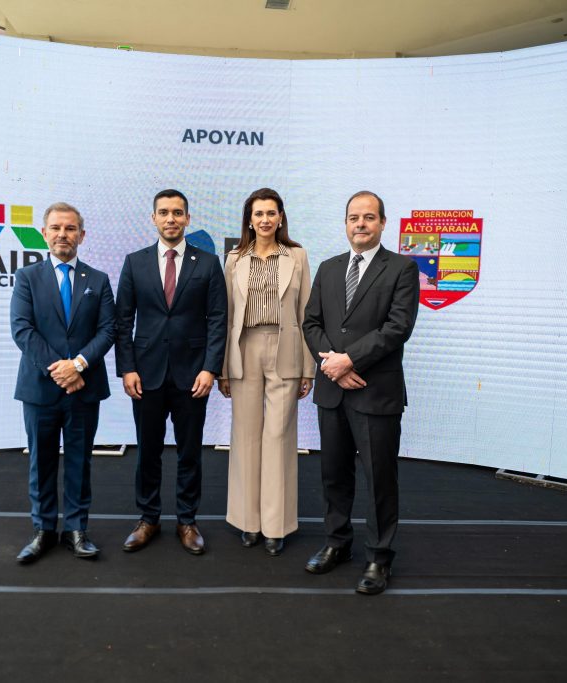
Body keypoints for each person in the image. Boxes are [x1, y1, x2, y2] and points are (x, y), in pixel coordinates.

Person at [301, 191, 420, 595]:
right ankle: (337, 543)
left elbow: (398, 327)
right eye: (354, 218)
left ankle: (379, 557)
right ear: (346, 224)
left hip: (375, 392)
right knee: (334, 475)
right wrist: (331, 366)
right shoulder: (329, 268)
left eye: (369, 217)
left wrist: (349, 360)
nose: (360, 224)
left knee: (379, 479)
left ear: (383, 223)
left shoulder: (402, 268)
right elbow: (311, 323)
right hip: (332, 390)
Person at [115, 189, 228, 555]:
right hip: (145, 375)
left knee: (189, 453)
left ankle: (187, 521)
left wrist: (210, 368)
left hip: (192, 376)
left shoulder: (208, 263)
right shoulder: (135, 262)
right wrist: (127, 368)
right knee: (147, 452)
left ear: (187, 218)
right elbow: (123, 321)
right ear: (153, 218)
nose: (171, 219)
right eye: (163, 212)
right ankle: (147, 519)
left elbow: (218, 320)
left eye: (177, 213)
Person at [10, 202, 115, 564]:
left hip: (84, 388)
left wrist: (79, 365)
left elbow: (108, 330)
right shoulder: (27, 277)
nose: (62, 235)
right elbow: (22, 329)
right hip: (40, 388)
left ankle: (76, 530)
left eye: (70, 228)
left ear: (81, 235)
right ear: (44, 233)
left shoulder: (98, 280)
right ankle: (43, 530)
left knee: (79, 462)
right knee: (41, 463)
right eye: (55, 228)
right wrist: (60, 369)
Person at [217, 188, 315, 556]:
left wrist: (309, 368)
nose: (265, 220)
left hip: (286, 347)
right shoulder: (234, 259)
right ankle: (248, 522)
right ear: (249, 220)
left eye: (271, 213)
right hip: (243, 349)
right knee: (245, 437)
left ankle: (276, 526)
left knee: (278, 437)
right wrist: (222, 369)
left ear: (281, 217)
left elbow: (306, 313)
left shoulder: (298, 256)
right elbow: (227, 315)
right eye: (258, 214)